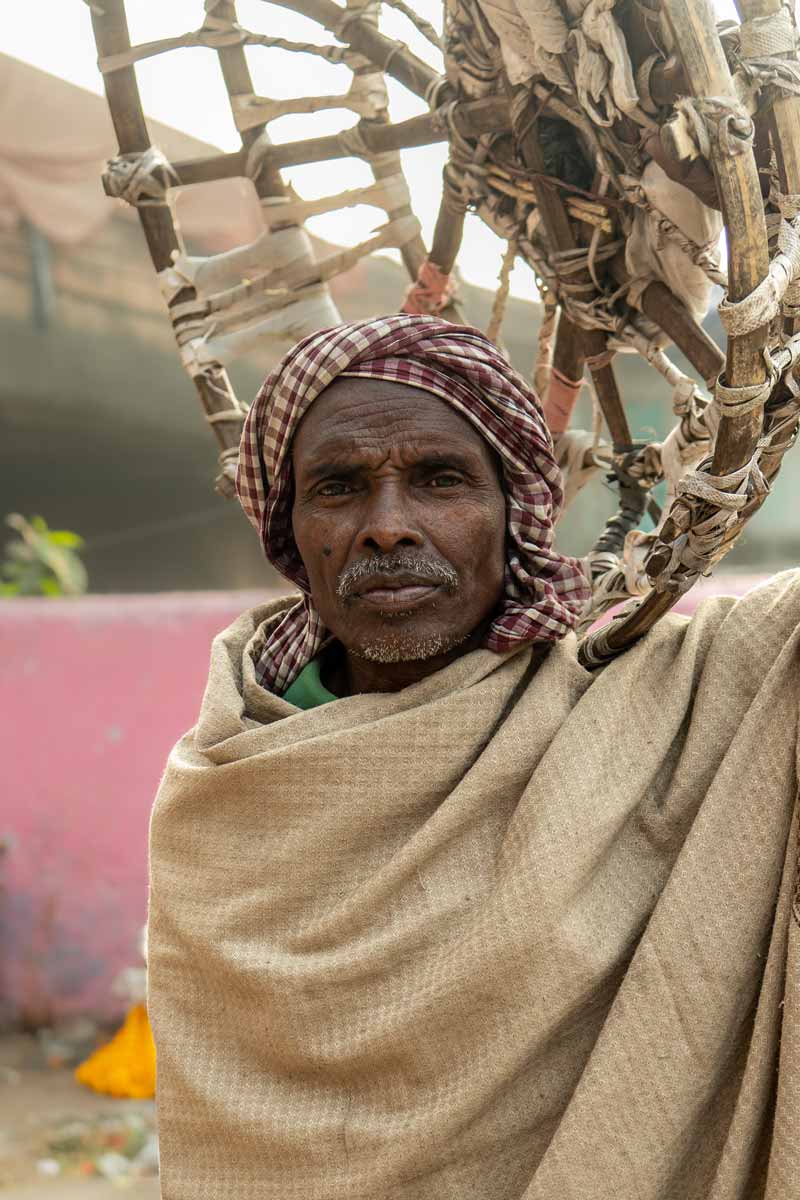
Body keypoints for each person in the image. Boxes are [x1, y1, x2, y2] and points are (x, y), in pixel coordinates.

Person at [148, 314, 799, 1200]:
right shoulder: (227, 786)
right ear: (288, 527)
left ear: (515, 510)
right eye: (338, 488)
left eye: (440, 480)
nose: (388, 528)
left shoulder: (657, 696)